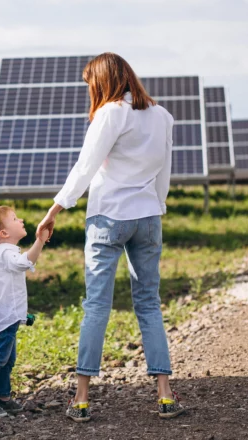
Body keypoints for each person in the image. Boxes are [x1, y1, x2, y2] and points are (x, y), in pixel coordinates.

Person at [36, 53, 185, 422]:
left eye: (91, 83)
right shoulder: (162, 116)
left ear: (102, 81)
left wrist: (55, 209)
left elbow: (86, 165)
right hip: (148, 217)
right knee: (149, 303)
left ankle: (82, 398)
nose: (90, 90)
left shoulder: (110, 112)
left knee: (97, 306)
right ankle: (165, 393)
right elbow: (165, 169)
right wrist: (158, 204)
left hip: (108, 217)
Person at [0, 206, 50, 418]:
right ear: (4, 234)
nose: (21, 220)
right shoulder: (5, 253)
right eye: (15, 219)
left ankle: (3, 397)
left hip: (9, 319)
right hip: (4, 320)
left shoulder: (5, 254)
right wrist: (40, 241)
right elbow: (25, 263)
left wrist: (23, 317)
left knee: (8, 360)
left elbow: (10, 293)